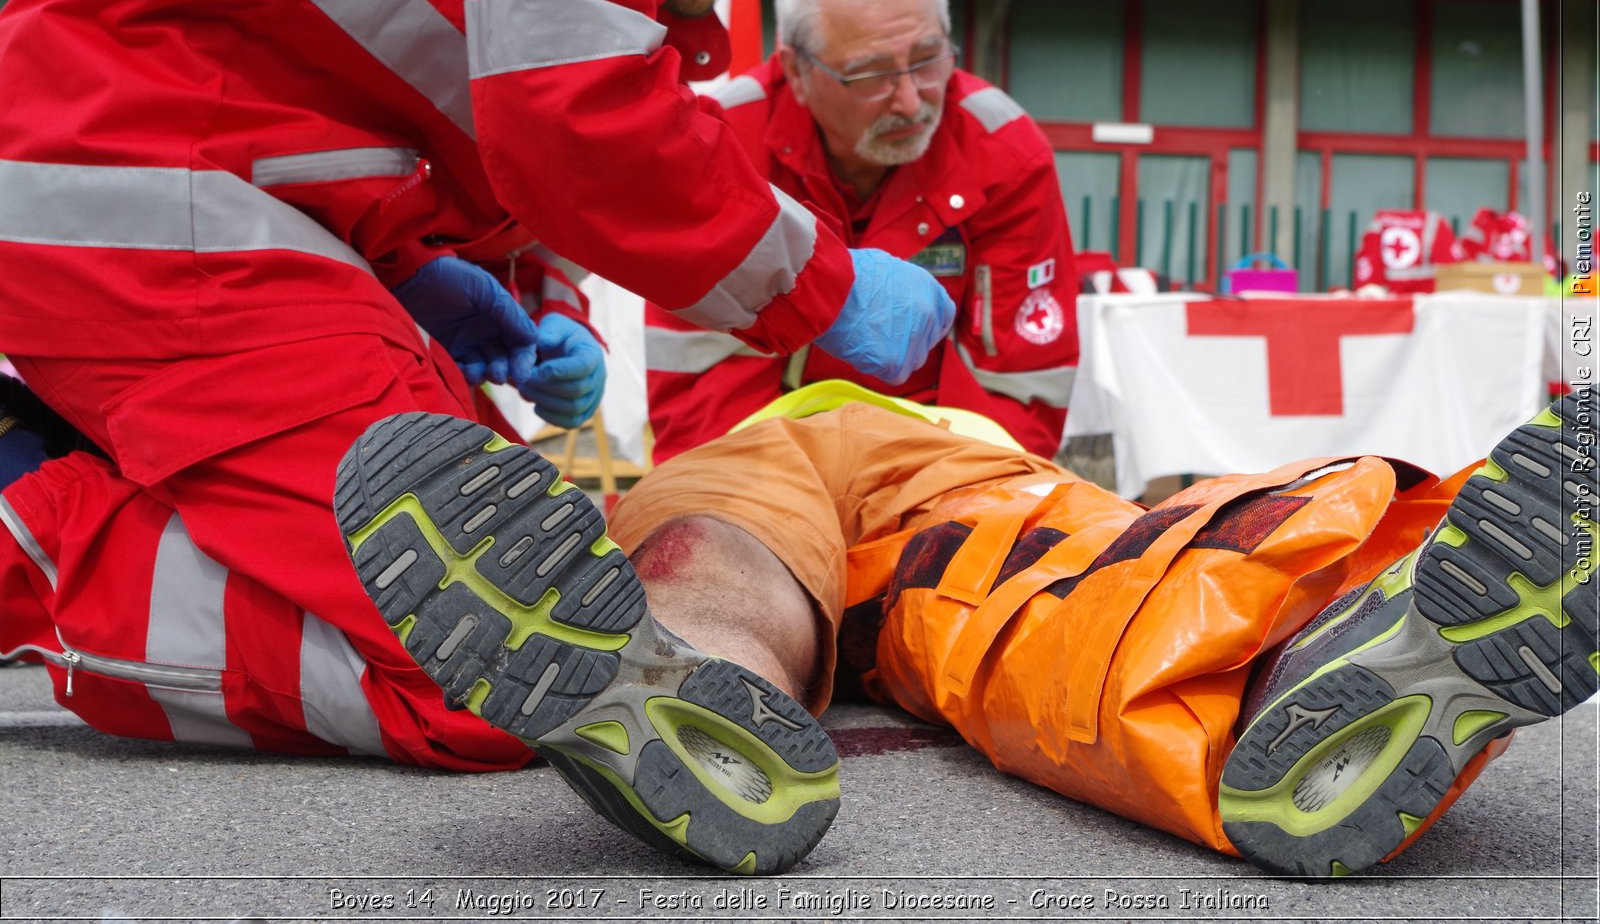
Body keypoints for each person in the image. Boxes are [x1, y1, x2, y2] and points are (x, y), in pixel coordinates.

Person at [0, 0, 953, 775]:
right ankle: (30, 526)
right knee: (497, 680)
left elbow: (388, 93)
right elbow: (575, 114)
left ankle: (102, 467)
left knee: (510, 597)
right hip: (141, 203)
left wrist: (485, 288)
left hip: (168, 180)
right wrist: (826, 288)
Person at [335, 381, 1597, 876]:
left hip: (851, 460)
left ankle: (671, 671)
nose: (905, 85)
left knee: (717, 550)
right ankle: (1309, 649)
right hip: (959, 474)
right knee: (1072, 583)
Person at [646, 0, 1078, 463]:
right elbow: (702, 396)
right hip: (770, 466)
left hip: (943, 468)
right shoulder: (725, 143)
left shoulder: (1003, 149)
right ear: (796, 72)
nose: (909, 101)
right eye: (870, 74)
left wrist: (944, 510)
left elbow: (1019, 387)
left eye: (927, 59)